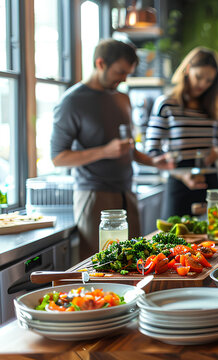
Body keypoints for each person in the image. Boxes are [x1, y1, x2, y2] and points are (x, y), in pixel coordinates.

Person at [51, 39, 174, 260]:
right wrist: (104, 151)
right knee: (100, 267)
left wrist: (154, 162)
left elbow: (128, 149)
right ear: (100, 63)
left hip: (127, 194)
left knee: (135, 264)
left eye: (128, 73)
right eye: (120, 72)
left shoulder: (123, 98)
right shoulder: (71, 102)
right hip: (94, 197)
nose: (124, 79)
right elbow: (58, 158)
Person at [145, 47, 218, 218]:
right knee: (175, 238)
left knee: (217, 238)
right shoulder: (166, 104)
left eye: (209, 81)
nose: (203, 84)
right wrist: (181, 174)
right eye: (199, 77)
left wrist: (215, 153)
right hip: (179, 182)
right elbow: (152, 150)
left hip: (209, 183)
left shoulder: (213, 110)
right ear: (188, 70)